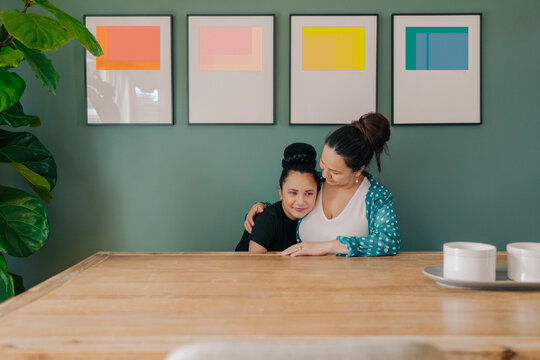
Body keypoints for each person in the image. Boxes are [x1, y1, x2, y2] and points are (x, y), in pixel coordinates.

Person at [244, 112, 400, 257]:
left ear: (358, 170)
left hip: (353, 282)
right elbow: (290, 205)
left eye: (335, 172)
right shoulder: (315, 183)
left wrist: (328, 246)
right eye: (323, 164)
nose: (324, 175)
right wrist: (262, 209)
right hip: (303, 280)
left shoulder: (376, 197)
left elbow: (389, 242)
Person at [235, 143, 320, 253]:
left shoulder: (315, 217)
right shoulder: (268, 219)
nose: (300, 202)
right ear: (281, 192)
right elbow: (254, 264)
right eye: (293, 193)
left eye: (309, 194)